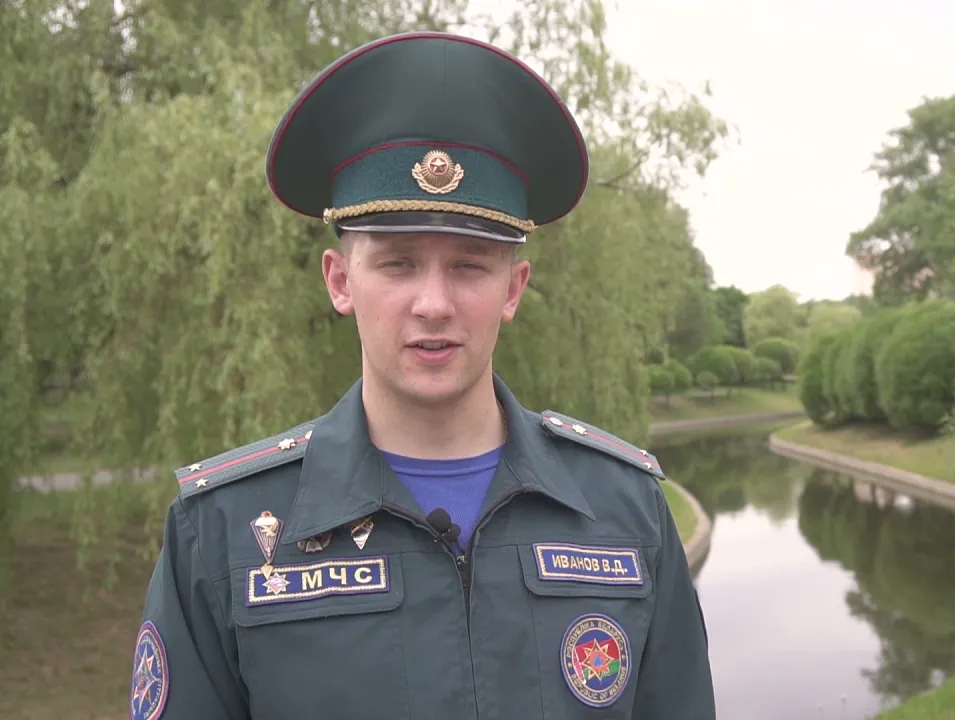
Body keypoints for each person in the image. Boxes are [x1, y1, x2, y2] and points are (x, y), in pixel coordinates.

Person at [130, 31, 715, 720]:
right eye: (398, 263)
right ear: (340, 281)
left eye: (469, 265)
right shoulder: (221, 532)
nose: (433, 304)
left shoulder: (627, 511)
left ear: (513, 288)